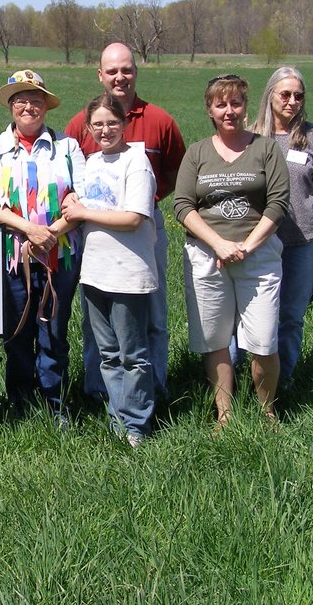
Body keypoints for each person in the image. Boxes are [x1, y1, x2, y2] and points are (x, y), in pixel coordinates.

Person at [64, 42, 186, 398]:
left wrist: (146, 200)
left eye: (127, 69)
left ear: (136, 71)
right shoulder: (80, 122)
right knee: (96, 318)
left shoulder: (159, 120)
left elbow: (177, 170)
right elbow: (68, 172)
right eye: (112, 71)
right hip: (95, 234)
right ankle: (99, 391)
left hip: (144, 229)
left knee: (152, 312)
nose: (120, 77)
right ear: (100, 75)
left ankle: (154, 388)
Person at [174, 74, 290, 426]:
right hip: (208, 258)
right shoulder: (196, 153)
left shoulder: (266, 149)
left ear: (245, 107)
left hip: (259, 258)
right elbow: (182, 205)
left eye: (236, 103)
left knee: (263, 341)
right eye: (220, 104)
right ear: (209, 109)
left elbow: (278, 203)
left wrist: (245, 247)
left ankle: (266, 411)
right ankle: (224, 415)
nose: (229, 111)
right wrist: (219, 245)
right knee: (216, 340)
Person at [0, 70, 84, 420]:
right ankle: (20, 406)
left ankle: (56, 407)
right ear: (10, 106)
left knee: (53, 333)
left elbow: (82, 198)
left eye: (36, 100)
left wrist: (50, 232)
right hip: (11, 261)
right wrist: (29, 230)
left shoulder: (67, 147)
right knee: (17, 335)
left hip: (59, 259)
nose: (28, 106)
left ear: (46, 106)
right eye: (20, 99)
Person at [62, 94, 157, 446]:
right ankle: (117, 418)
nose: (105, 130)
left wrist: (83, 212)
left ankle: (136, 425)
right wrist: (73, 203)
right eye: (97, 124)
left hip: (128, 274)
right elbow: (79, 202)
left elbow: (133, 218)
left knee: (133, 355)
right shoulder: (91, 162)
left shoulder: (136, 161)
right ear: (88, 129)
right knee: (108, 354)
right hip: (94, 273)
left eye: (112, 123)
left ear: (125, 123)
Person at [249, 67, 313, 387]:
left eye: (299, 96)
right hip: (258, 241)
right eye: (285, 94)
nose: (292, 101)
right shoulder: (251, 136)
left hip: (303, 240)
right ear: (270, 96)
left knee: (292, 316)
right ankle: (247, 379)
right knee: (252, 315)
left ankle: (283, 382)